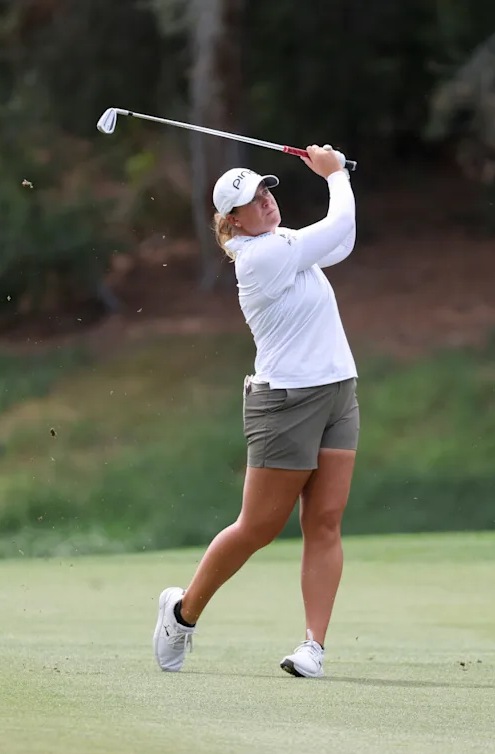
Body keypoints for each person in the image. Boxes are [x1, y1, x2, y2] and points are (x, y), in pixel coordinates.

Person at [153, 144, 359, 678]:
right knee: (258, 528)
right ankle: (182, 614)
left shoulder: (284, 243)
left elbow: (343, 240)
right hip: (285, 402)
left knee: (325, 522)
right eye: (252, 199)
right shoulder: (261, 256)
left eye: (267, 190)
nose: (266, 200)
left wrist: (337, 181)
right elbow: (338, 226)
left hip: (338, 392)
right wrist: (334, 175)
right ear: (233, 222)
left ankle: (313, 647)